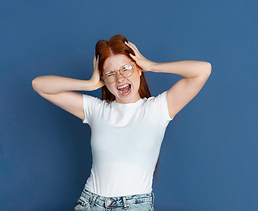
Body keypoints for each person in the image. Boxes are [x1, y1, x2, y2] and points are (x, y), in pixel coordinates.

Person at [32, 34, 211, 211]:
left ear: (138, 69)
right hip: (90, 203)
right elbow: (39, 85)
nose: (120, 78)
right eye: (110, 74)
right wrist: (90, 84)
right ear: (105, 80)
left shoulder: (158, 109)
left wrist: (152, 65)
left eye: (126, 68)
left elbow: (202, 70)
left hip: (134, 206)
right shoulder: (96, 110)